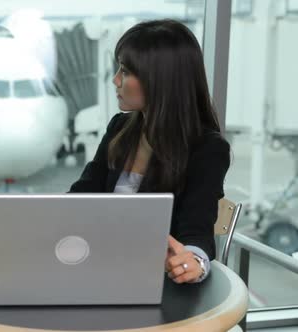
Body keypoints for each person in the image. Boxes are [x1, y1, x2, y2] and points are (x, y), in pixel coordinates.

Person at [69, 19, 230, 284]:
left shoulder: (207, 149)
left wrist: (194, 262)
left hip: (154, 282)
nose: (115, 80)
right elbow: (83, 194)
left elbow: (197, 231)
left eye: (126, 71)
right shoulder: (120, 127)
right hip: (100, 267)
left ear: (161, 81)